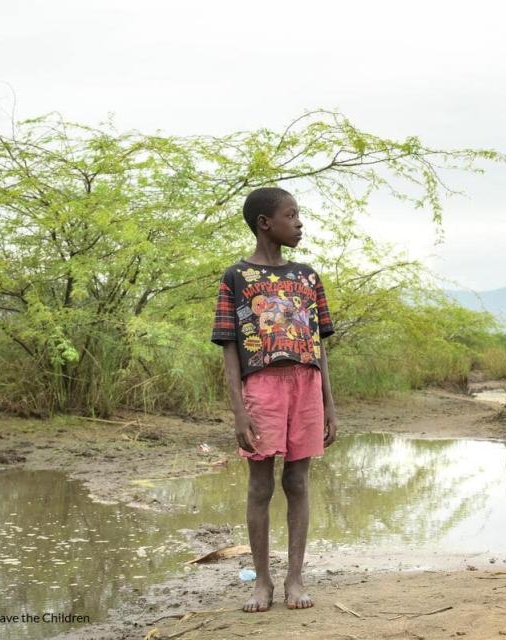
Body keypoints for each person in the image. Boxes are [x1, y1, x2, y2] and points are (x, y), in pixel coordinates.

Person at [210, 187, 338, 613]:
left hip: (306, 384)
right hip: (261, 385)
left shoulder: (307, 276)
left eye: (298, 215)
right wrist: (239, 412)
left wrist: (329, 405)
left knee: (298, 481)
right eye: (292, 215)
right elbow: (229, 346)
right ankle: (261, 581)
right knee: (261, 484)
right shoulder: (236, 277)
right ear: (266, 223)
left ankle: (295, 578)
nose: (299, 222)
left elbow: (319, 346)